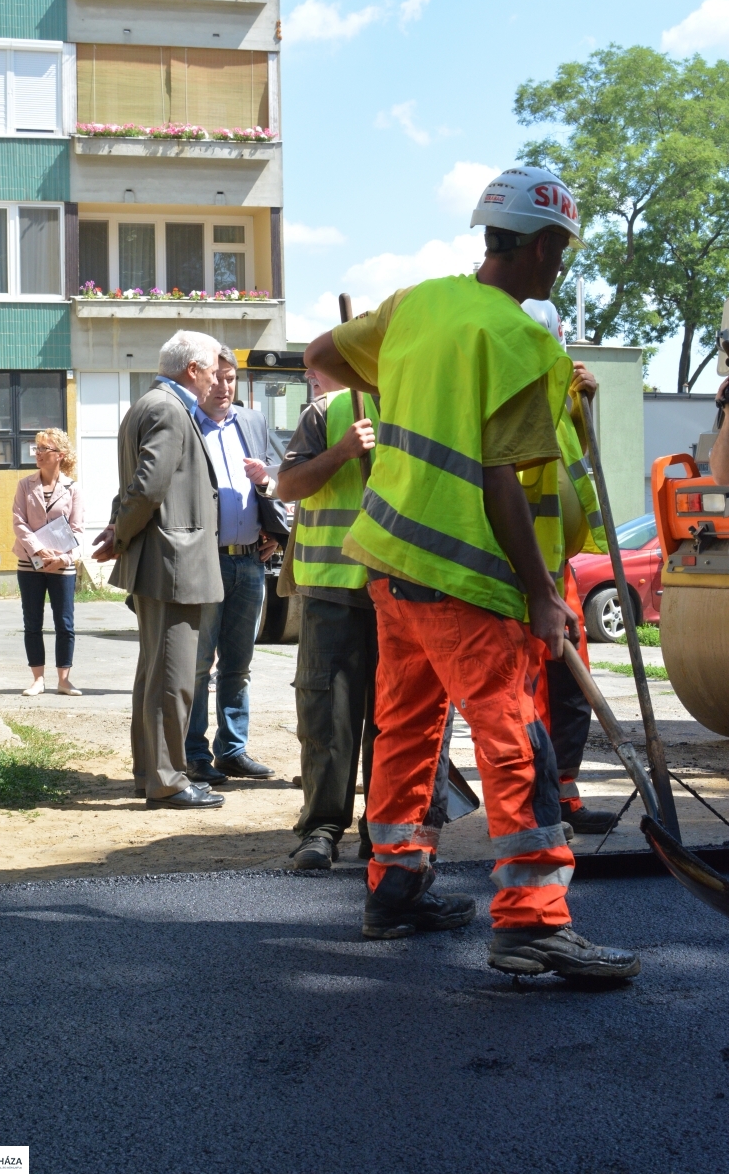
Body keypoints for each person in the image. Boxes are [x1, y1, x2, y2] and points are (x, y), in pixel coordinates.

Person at [304, 165, 640, 979]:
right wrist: (540, 595)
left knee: (407, 729)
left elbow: (320, 354)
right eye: (559, 250)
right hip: (465, 576)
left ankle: (394, 889)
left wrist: (408, 391)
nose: (558, 265)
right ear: (545, 249)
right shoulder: (523, 342)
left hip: (390, 562)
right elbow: (502, 481)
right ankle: (531, 919)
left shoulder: (419, 303)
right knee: (512, 735)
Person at [92, 330, 226, 810]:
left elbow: (137, 485)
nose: (216, 379)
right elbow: (148, 488)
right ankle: (167, 780)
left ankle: (152, 772)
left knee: (155, 674)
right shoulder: (169, 409)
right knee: (172, 678)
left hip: (162, 558)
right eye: (212, 369)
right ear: (193, 369)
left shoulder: (148, 404)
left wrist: (118, 531)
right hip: (174, 562)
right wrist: (121, 533)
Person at [520, 299, 617, 835]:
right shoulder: (512, 393)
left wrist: (585, 403)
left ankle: (565, 795)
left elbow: (577, 457)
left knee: (571, 691)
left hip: (560, 571)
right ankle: (535, 803)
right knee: (527, 692)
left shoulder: (562, 400)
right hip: (515, 574)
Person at [276, 368, 379, 868]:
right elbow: (288, 486)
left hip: (404, 590)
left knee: (396, 722)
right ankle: (322, 827)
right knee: (327, 718)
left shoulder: (423, 409)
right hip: (334, 589)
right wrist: (341, 452)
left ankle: (387, 830)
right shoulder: (327, 412)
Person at [185, 345, 289, 784]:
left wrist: (275, 531)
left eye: (231, 378)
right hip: (204, 563)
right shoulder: (187, 423)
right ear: (201, 379)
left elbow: (274, 482)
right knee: (197, 664)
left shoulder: (252, 421)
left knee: (239, 664)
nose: (225, 387)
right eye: (218, 377)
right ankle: (194, 754)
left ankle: (233, 749)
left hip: (249, 562)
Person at [12, 429, 84, 697]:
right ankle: (37, 679)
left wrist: (63, 558)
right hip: (29, 563)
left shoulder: (73, 488)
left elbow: (77, 530)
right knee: (32, 621)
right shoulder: (25, 485)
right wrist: (39, 550)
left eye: (45, 449)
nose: (38, 453)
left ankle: (64, 680)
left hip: (61, 565)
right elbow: (19, 522)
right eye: (37, 448)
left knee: (64, 622)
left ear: (60, 455)